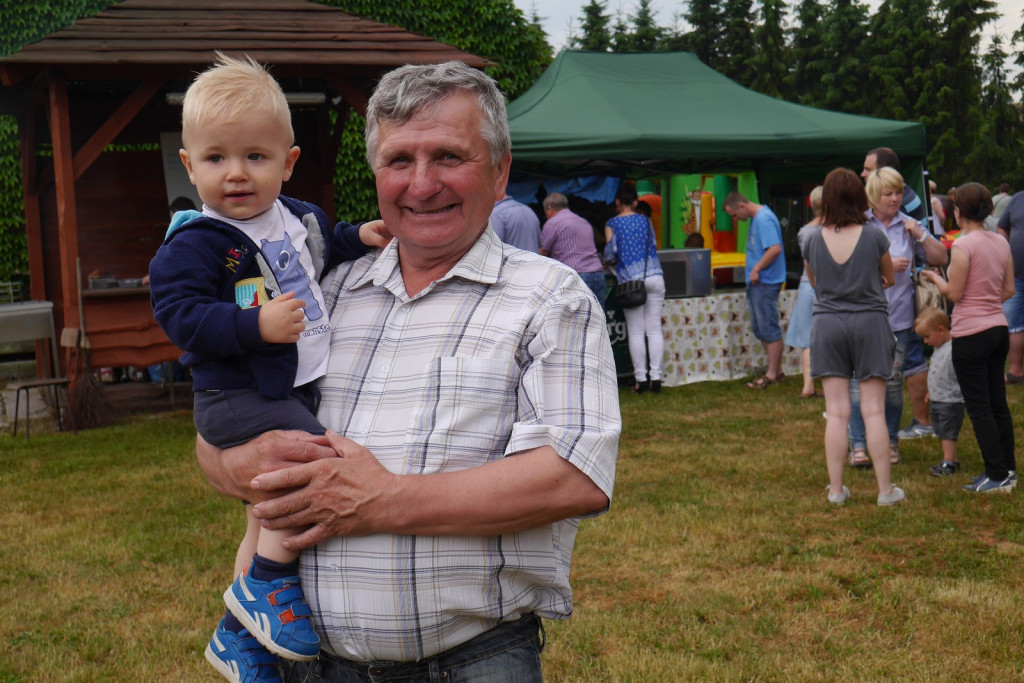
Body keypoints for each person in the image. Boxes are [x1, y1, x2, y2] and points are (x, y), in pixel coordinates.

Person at [194, 60, 620, 682]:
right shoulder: (320, 291)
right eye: (398, 161)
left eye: (449, 156)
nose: (421, 185)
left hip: (472, 662)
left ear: (500, 172)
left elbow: (574, 477)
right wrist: (239, 466)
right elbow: (215, 436)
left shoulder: (549, 297)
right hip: (312, 665)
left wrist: (383, 500)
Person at [148, 52, 388, 683]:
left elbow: (317, 249)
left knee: (267, 505)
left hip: (287, 385)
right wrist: (255, 326)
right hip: (235, 393)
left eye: (256, 157)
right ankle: (270, 584)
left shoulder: (297, 216)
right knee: (310, 463)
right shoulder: (193, 243)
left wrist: (354, 237)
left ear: (288, 162)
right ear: (189, 165)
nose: (236, 174)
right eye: (216, 158)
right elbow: (182, 317)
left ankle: (239, 637)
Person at [803, 167, 902, 506]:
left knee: (837, 411)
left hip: (828, 323)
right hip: (870, 321)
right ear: (861, 197)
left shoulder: (810, 238)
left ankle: (835, 491)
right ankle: (886, 492)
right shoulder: (874, 235)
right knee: (873, 410)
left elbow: (814, 282)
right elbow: (889, 276)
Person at [847, 167, 948, 469]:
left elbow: (941, 257)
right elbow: (847, 269)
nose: (894, 198)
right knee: (858, 381)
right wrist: (887, 266)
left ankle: (890, 440)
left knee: (892, 384)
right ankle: (859, 444)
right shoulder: (859, 224)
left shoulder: (908, 224)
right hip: (863, 315)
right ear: (873, 196)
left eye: (898, 192)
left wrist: (919, 234)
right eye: (888, 193)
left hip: (900, 318)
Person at [921, 183, 1017, 493]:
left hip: (971, 334)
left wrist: (935, 276)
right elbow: (1009, 289)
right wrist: (987, 304)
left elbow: (955, 293)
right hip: (998, 329)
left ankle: (996, 474)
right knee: (998, 403)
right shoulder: (1001, 243)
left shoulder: (963, 246)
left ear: (958, 212)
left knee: (979, 407)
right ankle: (1007, 468)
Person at [605, 185, 666, 393]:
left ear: (617, 204)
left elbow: (610, 255)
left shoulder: (612, 224)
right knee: (654, 329)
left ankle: (640, 379)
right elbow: (654, 246)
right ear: (636, 202)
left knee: (636, 331)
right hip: (656, 276)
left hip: (631, 282)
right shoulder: (646, 221)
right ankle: (656, 377)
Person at [723, 191, 787, 389]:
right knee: (761, 328)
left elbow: (774, 248)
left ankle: (771, 374)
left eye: (734, 215)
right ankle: (776, 370)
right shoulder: (757, 218)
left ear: (742, 206)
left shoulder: (763, 219)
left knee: (769, 327)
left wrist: (757, 268)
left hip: (766, 282)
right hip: (759, 282)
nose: (736, 220)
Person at [913, 308, 965, 477]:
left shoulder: (954, 349)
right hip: (938, 398)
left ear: (941, 330)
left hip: (950, 400)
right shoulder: (939, 347)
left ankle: (948, 463)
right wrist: (931, 391)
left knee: (947, 432)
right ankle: (954, 460)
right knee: (942, 430)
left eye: (927, 337)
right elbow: (937, 372)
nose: (925, 341)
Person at [785, 185, 823, 399]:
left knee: (807, 340)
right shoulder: (834, 230)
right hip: (823, 285)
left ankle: (808, 384)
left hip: (807, 284)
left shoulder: (804, 231)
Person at [540, 191, 607, 304]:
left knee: (577, 319)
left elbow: (543, 254)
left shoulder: (552, 223)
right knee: (599, 318)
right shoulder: (583, 221)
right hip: (597, 275)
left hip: (577, 277)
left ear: (550, 208)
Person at [997, 189, 1024, 383]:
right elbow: (1002, 227)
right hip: (1016, 276)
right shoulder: (1018, 198)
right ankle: (1015, 372)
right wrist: (1004, 250)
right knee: (1013, 323)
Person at [860, 147, 926, 221]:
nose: (862, 174)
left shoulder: (898, 204)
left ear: (884, 172)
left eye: (868, 170)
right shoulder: (904, 194)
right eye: (888, 194)